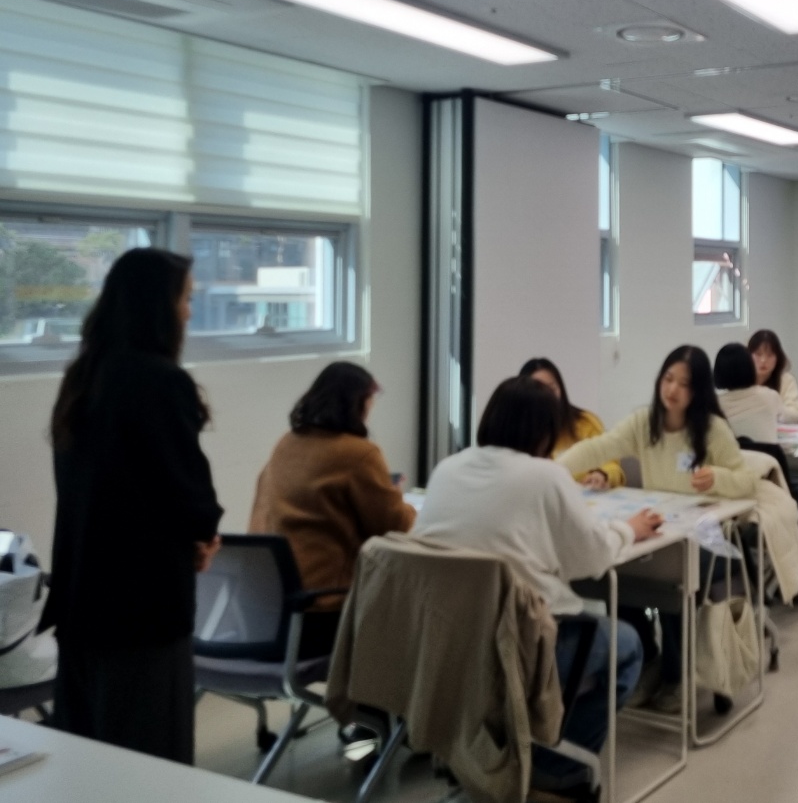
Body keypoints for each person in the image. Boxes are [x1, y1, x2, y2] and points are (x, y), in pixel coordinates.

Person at [413, 377, 661, 777]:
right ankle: (555, 771)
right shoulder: (545, 476)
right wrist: (628, 530)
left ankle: (499, 753)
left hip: (448, 647)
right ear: (546, 431)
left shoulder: (447, 468)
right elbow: (593, 558)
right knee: (628, 645)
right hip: (523, 647)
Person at [44, 248, 223, 763]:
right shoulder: (159, 380)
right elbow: (185, 490)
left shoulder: (83, 378)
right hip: (143, 608)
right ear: (158, 306)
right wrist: (203, 535)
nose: (189, 311)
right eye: (185, 299)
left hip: (82, 601)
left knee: (91, 757)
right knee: (151, 760)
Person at [557, 345, 755, 712]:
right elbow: (599, 447)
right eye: (668, 379)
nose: (673, 389)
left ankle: (678, 673)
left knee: (673, 578)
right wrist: (553, 471)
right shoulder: (644, 423)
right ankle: (647, 660)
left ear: (699, 390)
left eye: (684, 384)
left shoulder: (713, 430)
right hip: (661, 529)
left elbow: (747, 482)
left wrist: (718, 477)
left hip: (708, 537)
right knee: (623, 570)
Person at [248, 362, 415, 658]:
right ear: (359, 402)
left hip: (273, 614)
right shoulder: (359, 453)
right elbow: (395, 524)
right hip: (327, 614)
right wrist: (402, 500)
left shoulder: (286, 444)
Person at [520, 357, 623, 489]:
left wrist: (601, 474)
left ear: (560, 390)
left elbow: (611, 464)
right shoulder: (517, 430)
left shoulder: (585, 423)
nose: (546, 397)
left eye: (551, 389)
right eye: (538, 391)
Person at [715, 342, 784, 445]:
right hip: (768, 455)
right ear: (750, 367)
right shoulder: (770, 395)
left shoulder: (713, 406)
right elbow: (785, 416)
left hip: (734, 455)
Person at [748, 329, 798, 424]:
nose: (763, 360)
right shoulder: (740, 380)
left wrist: (774, 408)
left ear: (778, 357)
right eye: (758, 354)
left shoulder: (786, 380)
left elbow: (796, 413)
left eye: (769, 355)